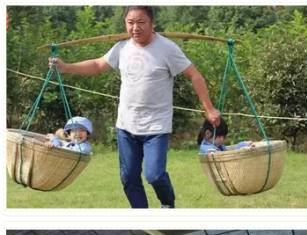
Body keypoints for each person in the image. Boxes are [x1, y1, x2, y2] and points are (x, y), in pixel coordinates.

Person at [49, 6, 221, 208]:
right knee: (129, 178)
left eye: (141, 22)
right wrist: (66, 67)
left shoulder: (167, 48)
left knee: (154, 175)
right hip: (126, 125)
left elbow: (195, 75)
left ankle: (168, 205)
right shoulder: (122, 47)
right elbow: (97, 65)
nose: (135, 27)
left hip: (156, 126)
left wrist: (208, 108)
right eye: (130, 23)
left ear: (152, 23)